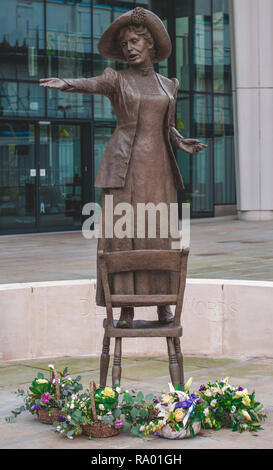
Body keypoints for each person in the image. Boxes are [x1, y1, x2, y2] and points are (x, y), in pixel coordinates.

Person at [40, 7, 207, 328]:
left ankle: (163, 306)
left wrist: (180, 141)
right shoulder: (116, 79)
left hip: (160, 170)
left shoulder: (168, 85)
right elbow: (93, 84)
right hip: (124, 169)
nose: (129, 48)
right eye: (125, 44)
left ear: (150, 46)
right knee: (124, 235)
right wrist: (67, 83)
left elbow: (166, 126)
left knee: (159, 235)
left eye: (134, 42)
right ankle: (125, 308)